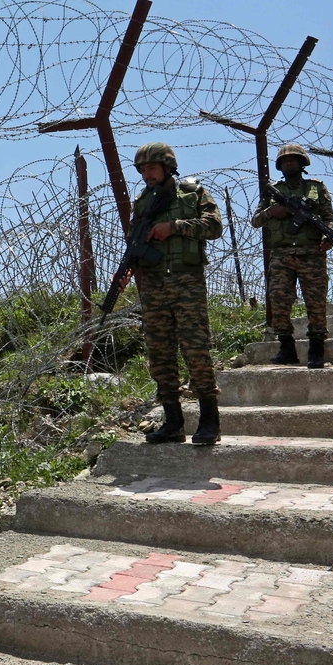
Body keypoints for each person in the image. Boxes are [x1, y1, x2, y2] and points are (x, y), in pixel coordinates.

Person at [130, 143, 224, 446]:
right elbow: (134, 239)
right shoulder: (143, 202)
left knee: (196, 350)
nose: (147, 174)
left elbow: (214, 226)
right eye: (142, 169)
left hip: (186, 281)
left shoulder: (193, 193)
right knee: (159, 354)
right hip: (154, 284)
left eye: (152, 168)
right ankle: (173, 422)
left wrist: (174, 227)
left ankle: (210, 422)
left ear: (167, 167)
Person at [250, 144, 333, 369]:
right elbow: (256, 220)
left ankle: (316, 349)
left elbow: (328, 217)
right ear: (279, 166)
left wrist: (328, 237)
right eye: (285, 161)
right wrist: (272, 211)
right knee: (278, 299)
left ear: (302, 163)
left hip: (311, 253)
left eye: (293, 160)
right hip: (281, 254)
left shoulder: (316, 188)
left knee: (315, 302)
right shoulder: (273, 191)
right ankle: (286, 347)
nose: (289, 163)